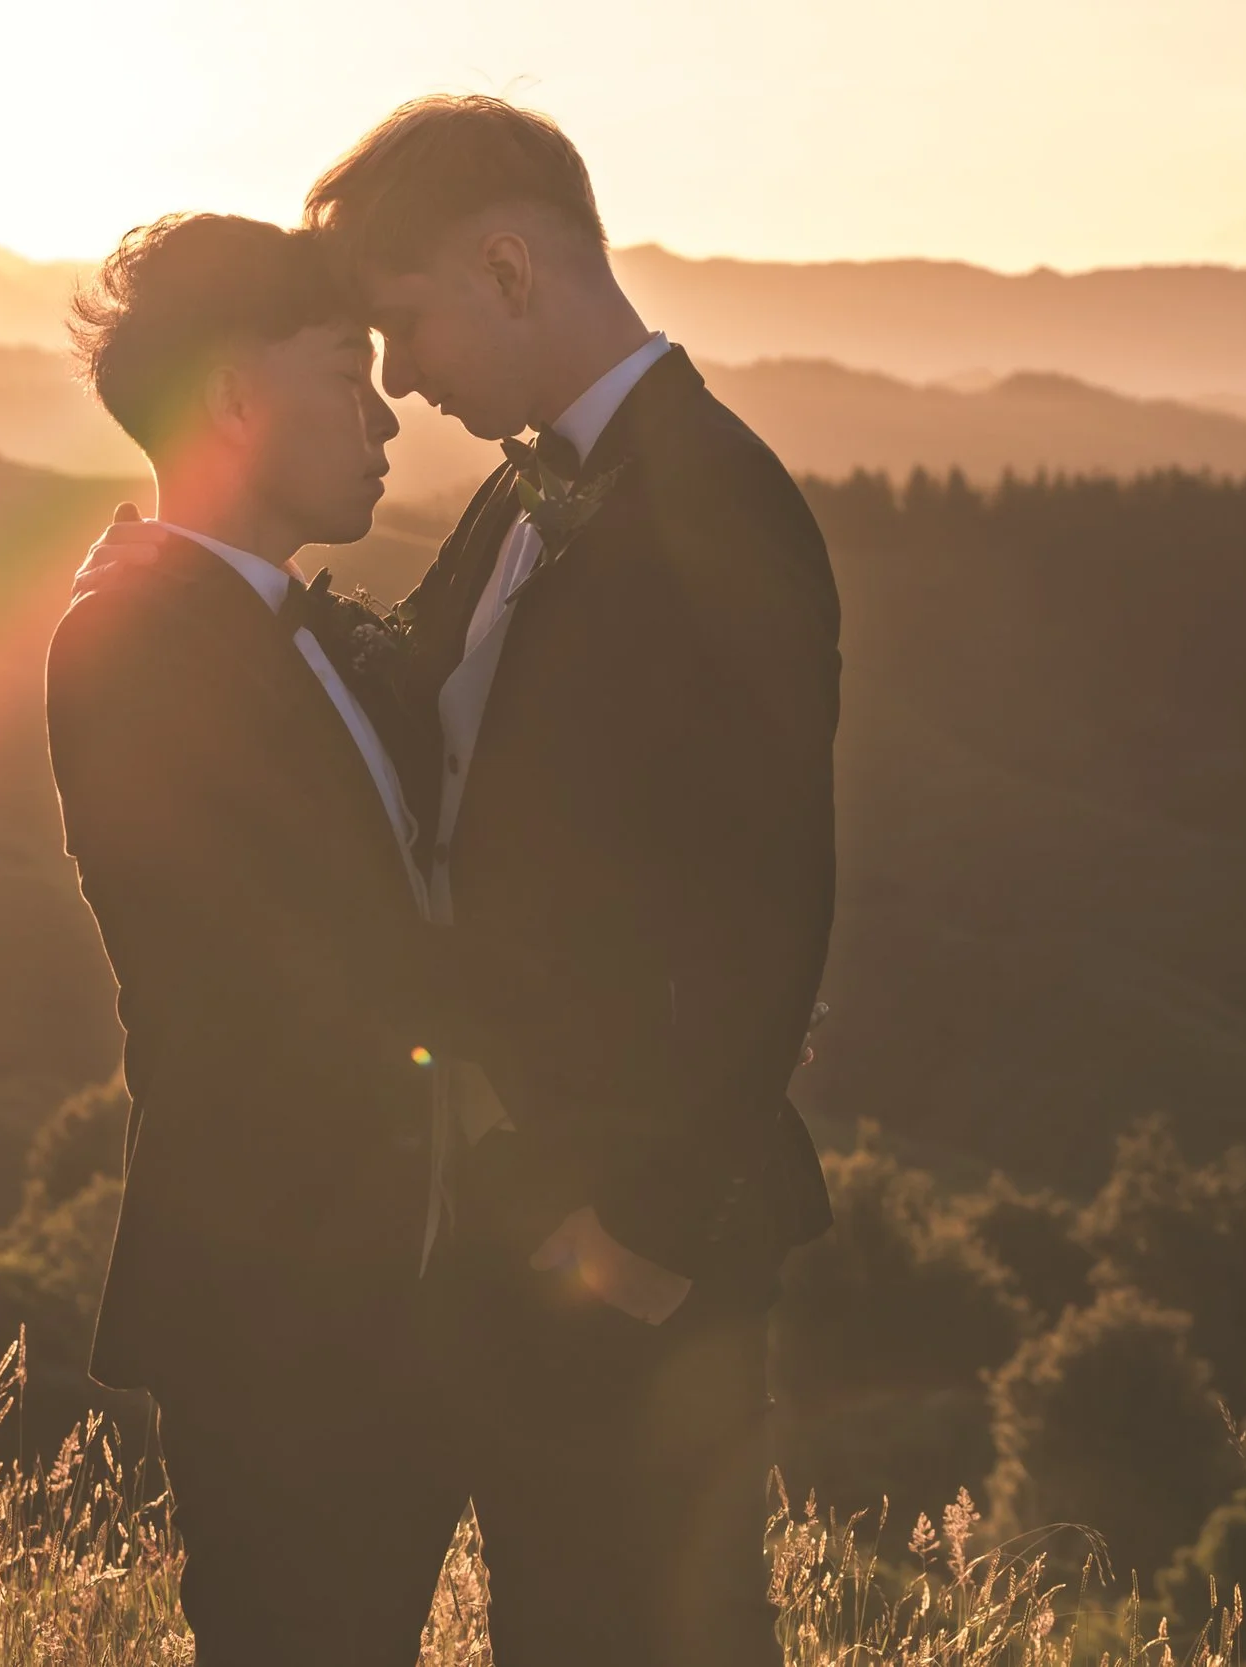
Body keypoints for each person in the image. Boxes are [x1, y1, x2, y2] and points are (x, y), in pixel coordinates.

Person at [85, 95, 842, 1666]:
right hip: (505, 1255)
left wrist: (642, 1233)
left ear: (509, 269)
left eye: (406, 327)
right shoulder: (518, 496)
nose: (403, 381)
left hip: (643, 1255)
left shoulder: (716, 501)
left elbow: (765, 902)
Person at [45, 211, 463, 1666]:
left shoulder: (271, 618)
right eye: (345, 369)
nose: (385, 410)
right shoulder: (141, 640)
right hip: (284, 1291)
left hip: (368, 1286)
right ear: (231, 397)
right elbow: (283, 963)